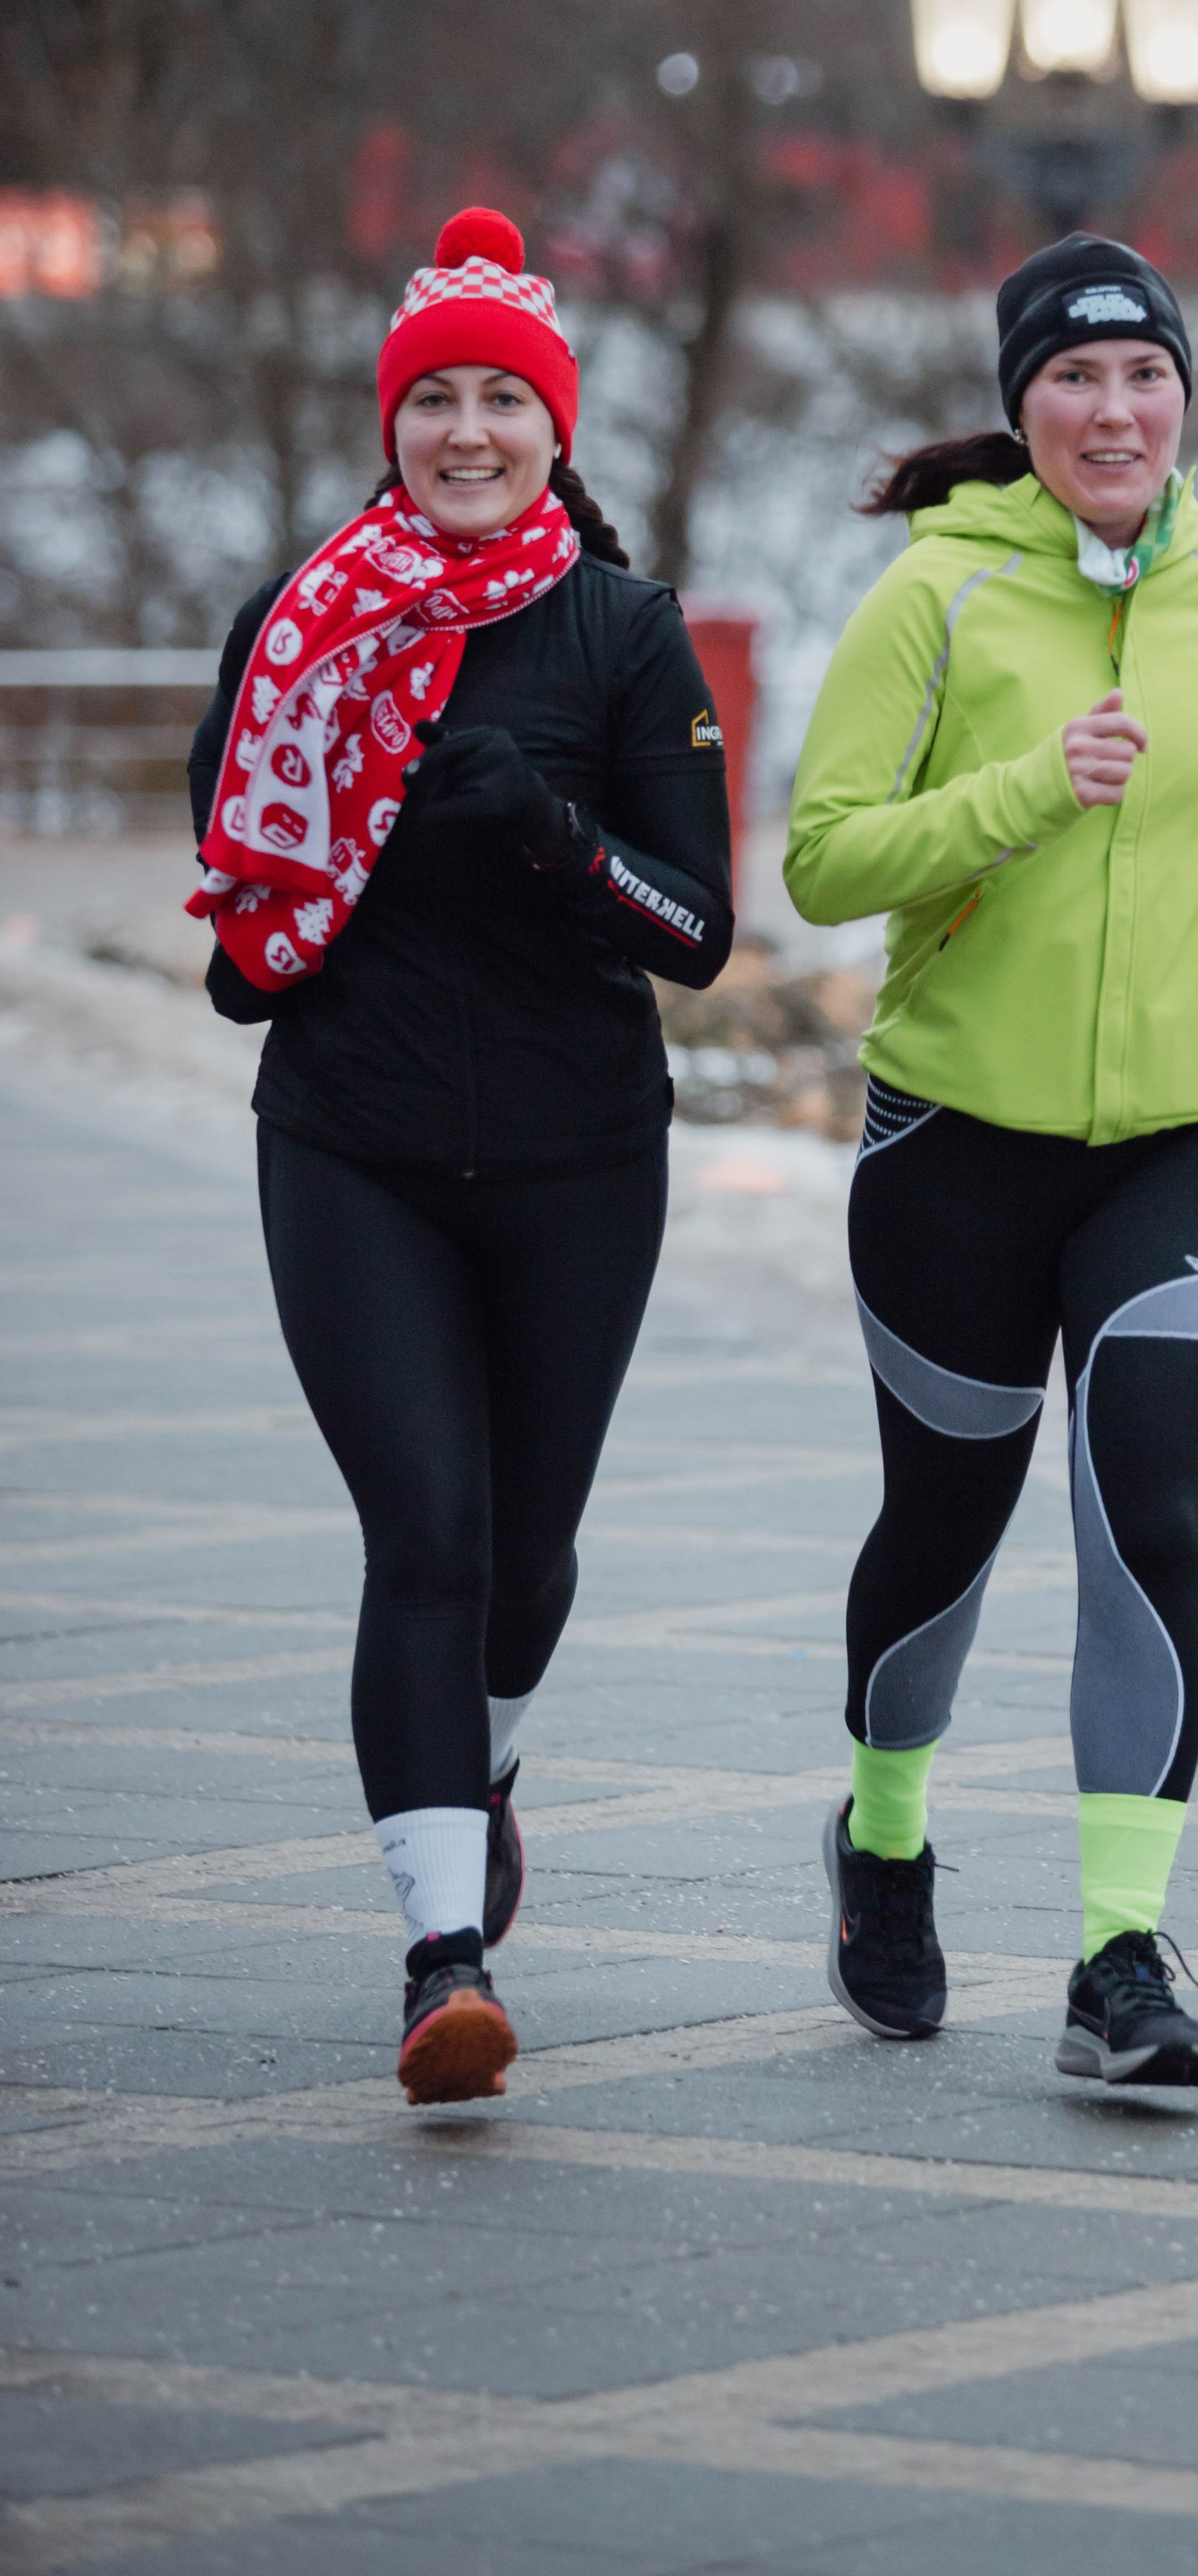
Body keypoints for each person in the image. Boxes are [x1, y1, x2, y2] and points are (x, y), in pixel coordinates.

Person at [187, 208, 731, 2107]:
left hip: (584, 1159)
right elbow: (244, 952)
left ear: (554, 425)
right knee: (423, 1534)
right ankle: (444, 1955)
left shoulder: (619, 627)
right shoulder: (294, 627)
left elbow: (695, 931)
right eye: (439, 401)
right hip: (357, 1148)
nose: (471, 432)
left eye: (508, 397)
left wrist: (554, 842)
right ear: (391, 423)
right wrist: (313, 886)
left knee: (525, 1554)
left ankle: (482, 1761)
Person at [785, 232, 1198, 2091]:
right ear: (1022, 410)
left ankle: (1119, 1955)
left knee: (1146, 1522)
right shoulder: (932, 600)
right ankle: (879, 1835)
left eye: (1145, 376)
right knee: (944, 1532)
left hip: (1183, 1132)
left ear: (1185, 396)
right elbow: (825, 859)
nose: (1116, 410)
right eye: (1077, 381)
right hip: (957, 1141)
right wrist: (1028, 795)